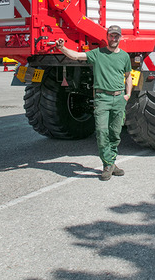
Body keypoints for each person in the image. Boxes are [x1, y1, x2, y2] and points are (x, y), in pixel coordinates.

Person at [55, 25, 133, 181]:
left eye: (117, 36)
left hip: (118, 99)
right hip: (102, 99)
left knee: (115, 134)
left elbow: (128, 76)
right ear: (107, 36)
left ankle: (111, 162)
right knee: (102, 132)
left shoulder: (124, 56)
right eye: (111, 35)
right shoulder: (98, 54)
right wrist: (62, 48)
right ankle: (107, 165)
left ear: (120, 37)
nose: (114, 38)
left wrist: (128, 95)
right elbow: (77, 56)